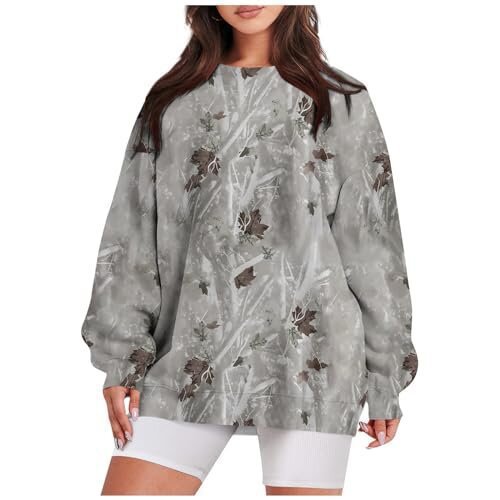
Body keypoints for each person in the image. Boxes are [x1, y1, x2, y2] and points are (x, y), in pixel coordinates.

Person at [81, 4, 418, 496]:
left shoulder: (340, 101)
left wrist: (386, 374)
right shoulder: (173, 101)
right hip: (190, 354)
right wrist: (122, 357)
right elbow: (132, 237)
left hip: (311, 360)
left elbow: (372, 246)